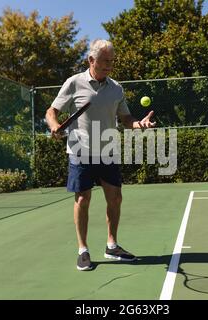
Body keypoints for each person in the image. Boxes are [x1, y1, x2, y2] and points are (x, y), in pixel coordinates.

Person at [45, 39, 156, 271]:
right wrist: (54, 125)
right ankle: (83, 250)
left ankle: (112, 245)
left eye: (112, 61)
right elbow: (52, 111)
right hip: (80, 151)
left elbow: (126, 119)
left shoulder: (116, 88)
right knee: (83, 199)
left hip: (107, 151)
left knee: (115, 198)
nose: (109, 65)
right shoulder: (74, 83)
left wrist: (139, 125)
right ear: (91, 60)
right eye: (105, 61)